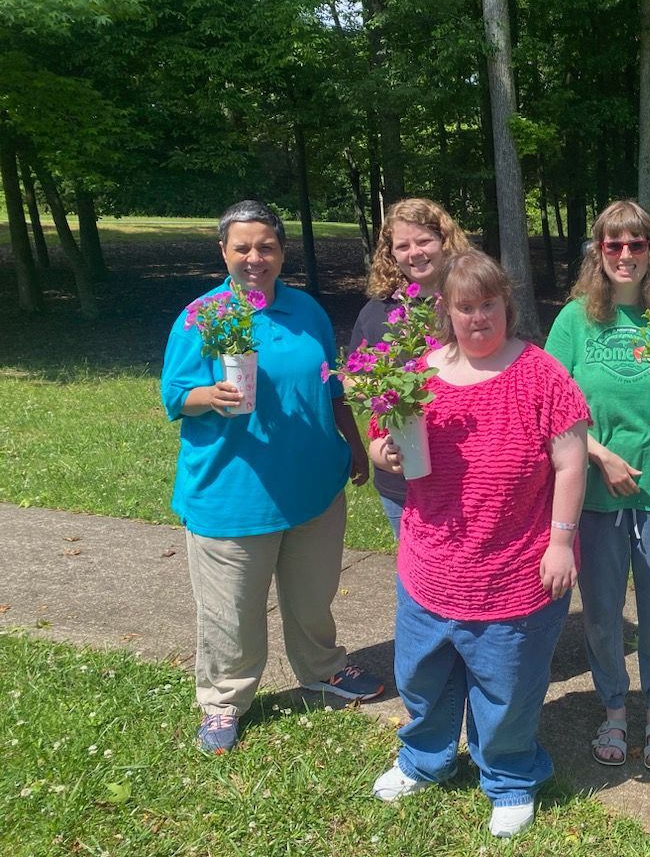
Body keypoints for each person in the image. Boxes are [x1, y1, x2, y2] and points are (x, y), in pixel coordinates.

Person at [368, 252, 590, 839]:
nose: (478, 317)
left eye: (488, 303)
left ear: (506, 305)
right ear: (447, 310)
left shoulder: (541, 374)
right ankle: (425, 760)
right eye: (465, 307)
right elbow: (379, 439)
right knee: (422, 677)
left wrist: (561, 542)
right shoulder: (416, 373)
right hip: (431, 563)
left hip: (516, 566)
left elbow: (571, 466)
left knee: (508, 686)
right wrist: (380, 453)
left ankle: (511, 776)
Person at [159, 200, 382, 755]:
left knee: (313, 597)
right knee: (231, 610)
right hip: (233, 494)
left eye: (266, 247)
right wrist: (209, 395)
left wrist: (354, 446)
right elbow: (174, 395)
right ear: (224, 252)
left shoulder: (305, 310)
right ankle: (223, 700)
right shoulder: (200, 316)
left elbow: (331, 388)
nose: (255, 258)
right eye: (243, 247)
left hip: (313, 488)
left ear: (281, 253)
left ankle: (323, 669)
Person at [545, 200, 650, 772]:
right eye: (612, 244)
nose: (624, 255)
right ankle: (614, 709)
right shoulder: (574, 320)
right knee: (601, 611)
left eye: (635, 244)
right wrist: (600, 456)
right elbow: (554, 409)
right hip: (593, 490)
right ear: (598, 251)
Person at [348, 197, 471, 539]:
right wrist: (377, 443)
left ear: (445, 241)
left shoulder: (472, 303)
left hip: (466, 470)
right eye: (402, 246)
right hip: (400, 472)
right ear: (391, 255)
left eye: (424, 241)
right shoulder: (376, 312)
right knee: (416, 578)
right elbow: (356, 382)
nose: (414, 253)